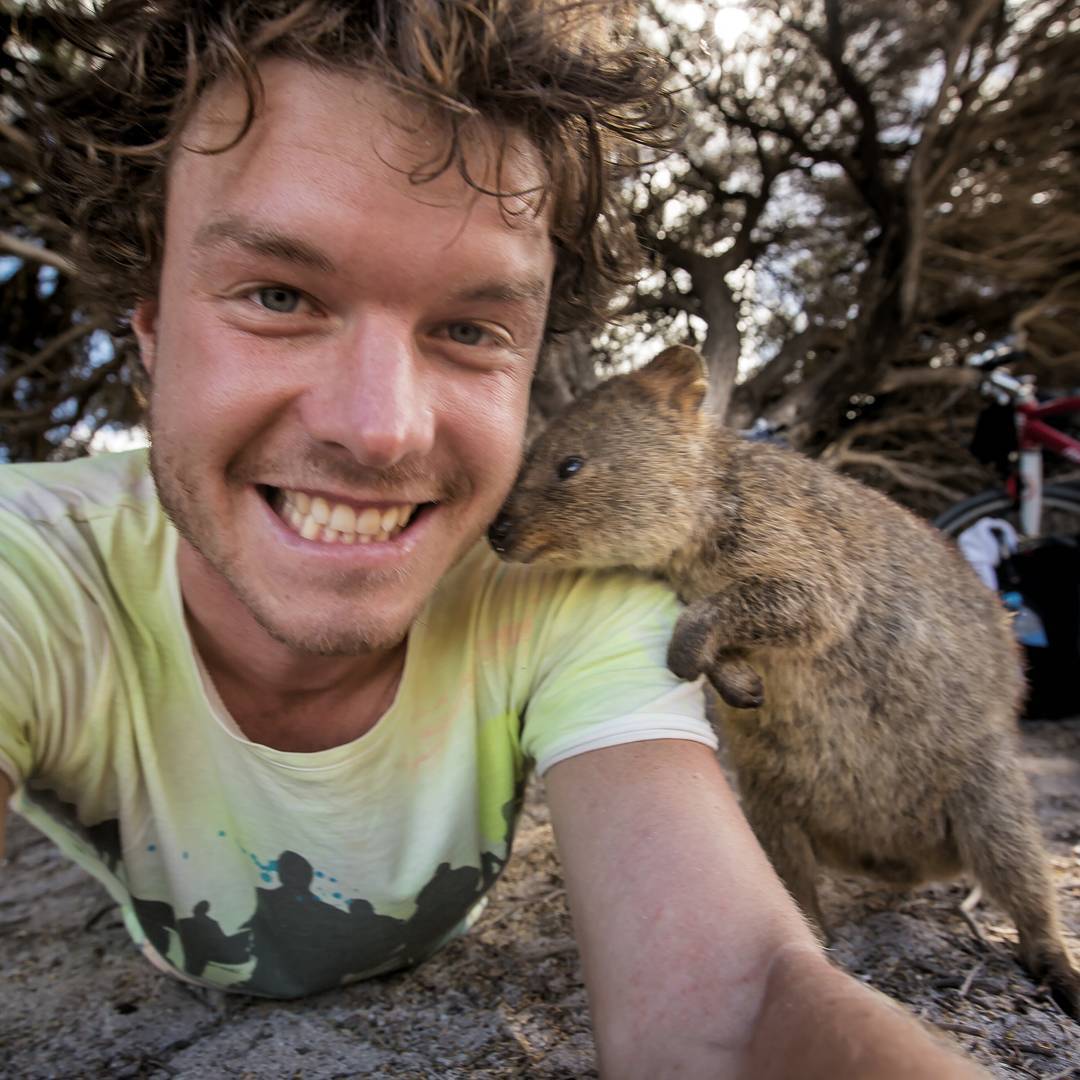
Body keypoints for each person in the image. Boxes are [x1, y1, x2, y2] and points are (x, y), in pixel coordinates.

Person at [0, 2, 985, 1075]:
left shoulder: (571, 595)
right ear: (150, 336)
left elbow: (735, 1004)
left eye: (471, 329)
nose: (380, 430)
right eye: (278, 294)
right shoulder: (36, 569)